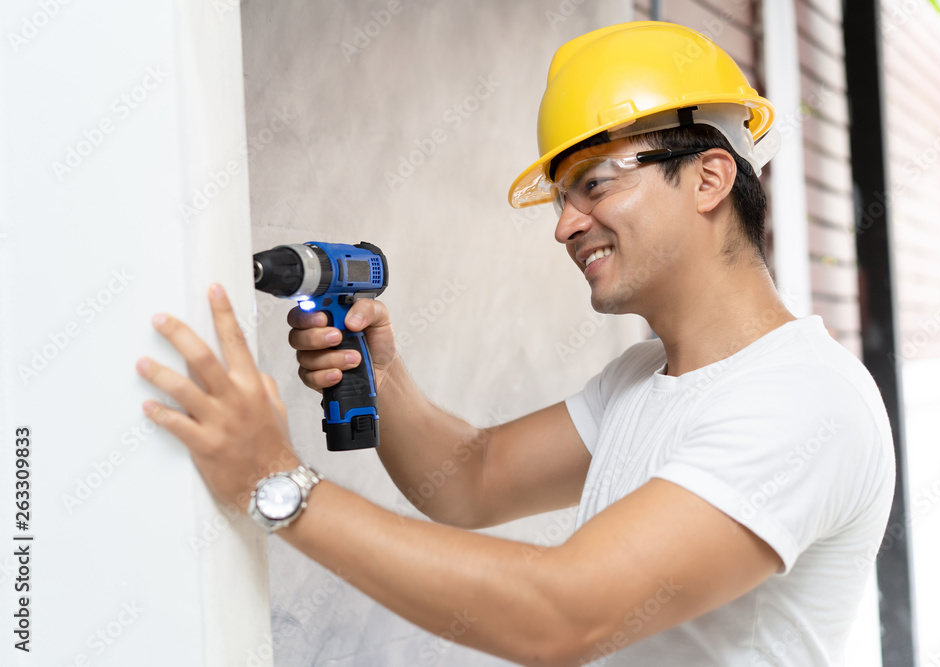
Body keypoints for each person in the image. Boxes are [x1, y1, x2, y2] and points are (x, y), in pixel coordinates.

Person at [136, 21, 895, 666]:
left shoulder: (802, 402)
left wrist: (279, 486)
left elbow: (567, 611)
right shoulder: (645, 377)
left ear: (709, 178)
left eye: (595, 183)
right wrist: (384, 372)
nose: (565, 224)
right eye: (562, 197)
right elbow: (472, 479)